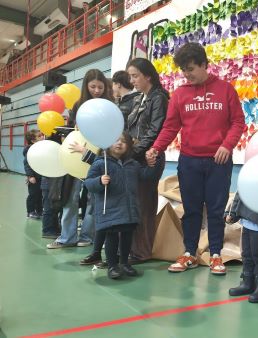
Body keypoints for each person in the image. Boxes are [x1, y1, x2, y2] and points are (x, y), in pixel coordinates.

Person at [146, 42, 245, 275]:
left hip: (218, 163)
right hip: (189, 161)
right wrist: (156, 148)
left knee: (216, 210)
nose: (187, 74)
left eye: (191, 68)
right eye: (183, 70)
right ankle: (189, 252)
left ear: (204, 65)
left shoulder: (226, 89)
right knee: (190, 209)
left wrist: (226, 145)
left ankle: (216, 254)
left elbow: (238, 122)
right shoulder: (180, 94)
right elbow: (171, 127)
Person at [47, 69, 112, 249]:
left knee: (93, 198)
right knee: (70, 197)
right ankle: (67, 237)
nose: (97, 90)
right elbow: (70, 131)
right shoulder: (78, 105)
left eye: (100, 87)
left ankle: (88, 235)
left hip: (97, 158)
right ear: (86, 86)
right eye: (93, 86)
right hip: (76, 156)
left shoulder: (109, 104)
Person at [84, 132, 160, 279]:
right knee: (112, 237)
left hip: (129, 209)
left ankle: (124, 263)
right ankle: (112, 265)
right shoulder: (101, 163)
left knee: (127, 237)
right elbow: (88, 183)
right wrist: (99, 181)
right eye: (116, 140)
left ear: (128, 146)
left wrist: (152, 166)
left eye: (123, 141)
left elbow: (145, 177)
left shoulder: (133, 164)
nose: (119, 143)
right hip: (110, 209)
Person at [126, 58, 169, 264]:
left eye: (135, 76)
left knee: (144, 204)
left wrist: (133, 152)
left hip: (149, 157)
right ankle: (134, 248)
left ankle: (142, 251)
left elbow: (155, 131)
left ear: (148, 76)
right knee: (136, 203)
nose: (132, 80)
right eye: (130, 76)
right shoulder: (139, 99)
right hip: (137, 156)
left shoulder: (158, 98)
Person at [23, 129, 44, 219]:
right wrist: (30, 176)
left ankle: (39, 210)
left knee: (40, 195)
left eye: (42, 135)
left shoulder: (42, 147)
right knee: (33, 195)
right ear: (33, 141)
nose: (42, 137)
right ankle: (30, 211)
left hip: (41, 176)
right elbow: (27, 164)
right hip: (34, 177)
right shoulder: (30, 150)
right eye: (39, 136)